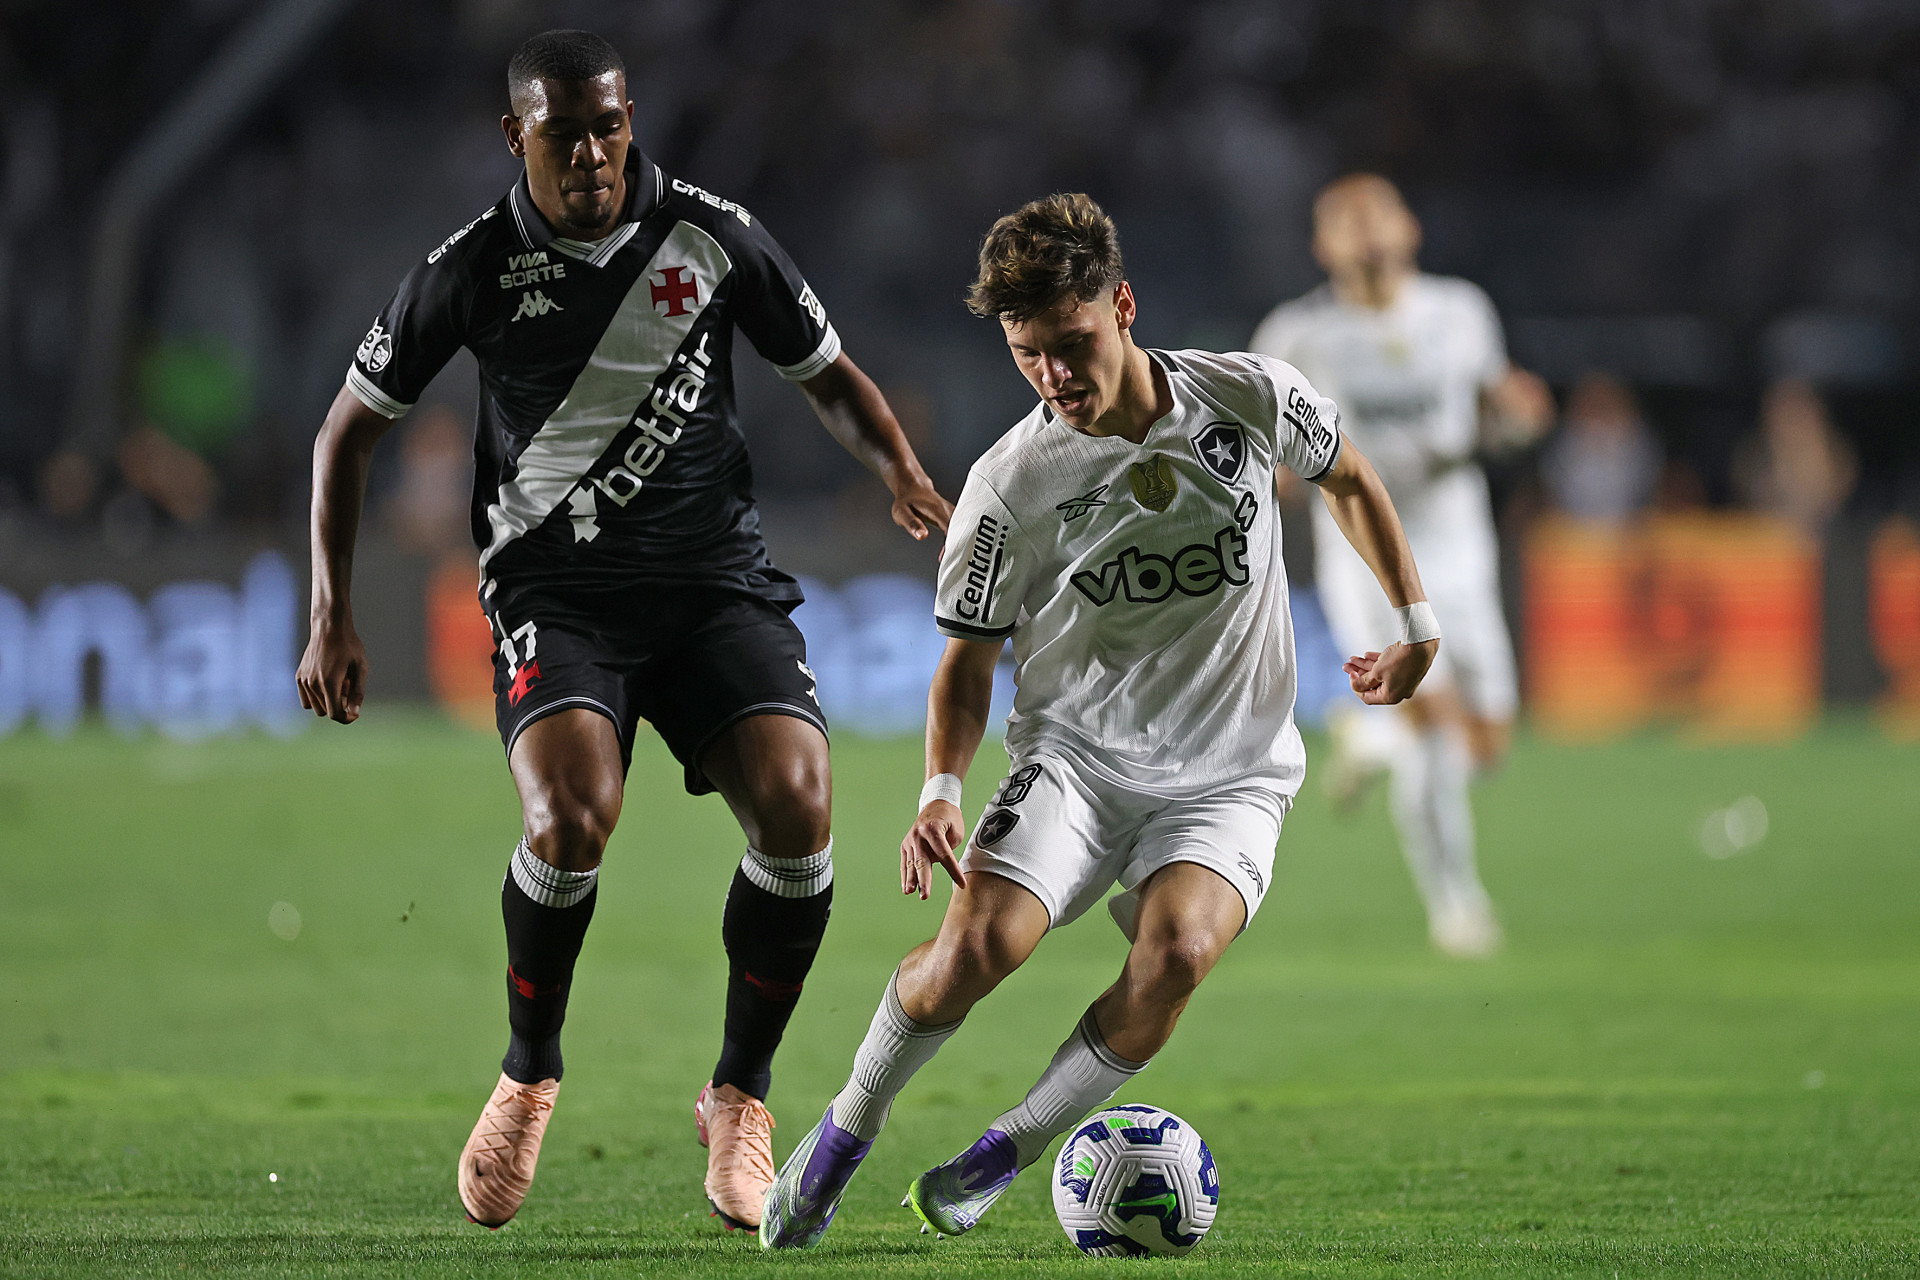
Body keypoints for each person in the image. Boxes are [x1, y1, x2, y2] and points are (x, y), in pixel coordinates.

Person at [295, 29, 951, 1233]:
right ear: (517, 136)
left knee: (800, 805)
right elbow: (349, 430)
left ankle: (740, 1094)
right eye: (565, 134)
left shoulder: (711, 234)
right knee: (569, 815)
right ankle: (528, 1072)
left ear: (630, 119)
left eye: (609, 126)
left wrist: (902, 470)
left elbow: (826, 371)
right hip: (558, 596)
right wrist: (331, 612)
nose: (593, 152)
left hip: (713, 587)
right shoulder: (473, 267)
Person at [758, 192, 1438, 1249]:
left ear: (1122, 306)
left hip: (1234, 770)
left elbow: (1348, 476)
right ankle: (847, 1128)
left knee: (1177, 956)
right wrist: (939, 790)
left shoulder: (1249, 394)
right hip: (1076, 760)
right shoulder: (1009, 484)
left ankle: (1004, 1151)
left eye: (1070, 343)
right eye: (1027, 353)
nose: (1053, 374)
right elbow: (966, 661)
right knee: (976, 950)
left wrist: (1415, 621)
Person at [1250, 174, 1553, 958]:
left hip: (1458, 540)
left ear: (1409, 228)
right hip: (1366, 552)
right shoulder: (1297, 334)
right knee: (1431, 728)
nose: (1365, 231)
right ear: (1322, 246)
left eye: (1376, 215)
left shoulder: (1461, 311)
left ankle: (1367, 739)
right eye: (1345, 221)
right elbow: (1256, 445)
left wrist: (1520, 416)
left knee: (1486, 745)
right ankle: (1458, 906)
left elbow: (1495, 409)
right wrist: (1273, 481)